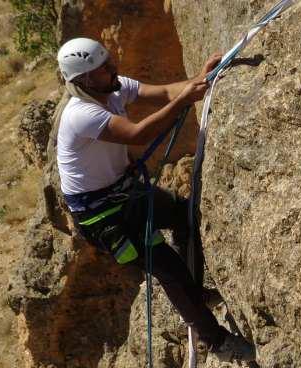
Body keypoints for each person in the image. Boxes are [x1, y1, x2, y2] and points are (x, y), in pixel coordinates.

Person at [54, 37, 229, 350]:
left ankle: (195, 292)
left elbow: (162, 92)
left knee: (184, 214)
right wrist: (185, 100)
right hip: (101, 215)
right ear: (86, 80)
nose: (113, 68)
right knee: (167, 267)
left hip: (122, 191)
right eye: (103, 67)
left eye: (109, 61)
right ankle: (212, 338)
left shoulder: (114, 86)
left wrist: (200, 79)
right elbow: (138, 133)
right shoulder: (81, 113)